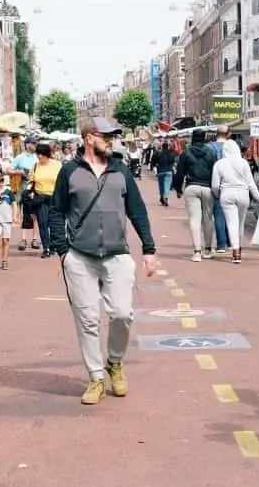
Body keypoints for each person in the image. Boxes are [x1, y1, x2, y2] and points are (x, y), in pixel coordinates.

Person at [46, 117, 160, 405]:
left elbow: (137, 210)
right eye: (105, 136)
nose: (111, 140)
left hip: (117, 254)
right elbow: (57, 211)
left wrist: (149, 249)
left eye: (113, 136)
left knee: (123, 314)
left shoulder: (120, 170)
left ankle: (115, 362)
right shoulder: (69, 171)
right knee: (87, 320)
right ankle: (96, 377)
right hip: (80, 257)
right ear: (88, 138)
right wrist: (63, 250)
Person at [212, 138, 259, 265]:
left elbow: (214, 185)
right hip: (243, 194)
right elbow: (251, 183)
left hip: (227, 193)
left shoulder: (219, 164)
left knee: (231, 223)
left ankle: (235, 250)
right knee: (240, 223)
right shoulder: (244, 163)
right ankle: (238, 246)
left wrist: (217, 195)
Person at [179, 130, 219, 260]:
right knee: (208, 219)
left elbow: (180, 172)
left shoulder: (186, 152)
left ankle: (197, 252)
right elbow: (215, 170)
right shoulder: (211, 152)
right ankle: (208, 249)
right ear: (204, 138)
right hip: (207, 187)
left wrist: (178, 188)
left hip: (191, 186)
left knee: (194, 219)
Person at [29, 143, 63, 257]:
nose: (39, 156)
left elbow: (63, 181)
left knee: (54, 224)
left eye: (42, 154)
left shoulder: (57, 165)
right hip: (41, 198)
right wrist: (30, 192)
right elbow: (31, 182)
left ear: (47, 154)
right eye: (37, 154)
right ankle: (46, 247)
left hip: (55, 198)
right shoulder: (35, 166)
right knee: (43, 223)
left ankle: (53, 245)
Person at [11, 143, 39, 251]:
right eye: (33, 143)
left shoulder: (37, 157)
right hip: (23, 187)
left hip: (36, 187)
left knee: (35, 214)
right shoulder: (20, 157)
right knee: (23, 212)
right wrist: (20, 171)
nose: (34, 145)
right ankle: (23, 239)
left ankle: (34, 238)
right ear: (27, 144)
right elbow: (9, 170)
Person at [153, 142, 179, 206]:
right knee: (167, 186)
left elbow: (154, 160)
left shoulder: (158, 153)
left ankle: (162, 198)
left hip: (160, 171)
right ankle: (166, 198)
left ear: (162, 146)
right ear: (167, 146)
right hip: (169, 171)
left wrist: (156, 164)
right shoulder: (171, 154)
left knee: (161, 186)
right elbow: (173, 161)